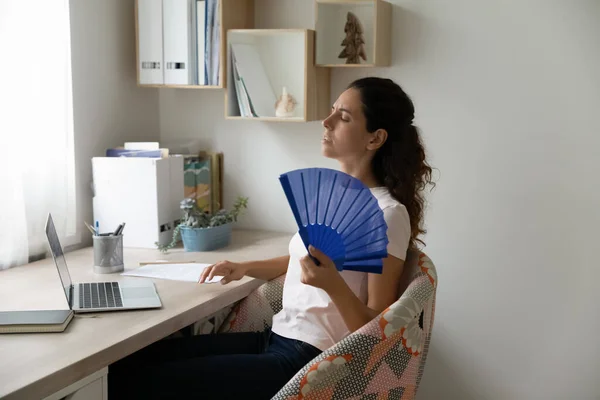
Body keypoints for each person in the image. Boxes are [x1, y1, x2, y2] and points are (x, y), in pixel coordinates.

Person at [108, 77, 434, 399]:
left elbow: (378, 330)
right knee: (126, 366)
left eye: (343, 117)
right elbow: (302, 262)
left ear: (375, 138)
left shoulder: (387, 213)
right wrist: (244, 267)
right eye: (333, 110)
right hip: (275, 336)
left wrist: (332, 284)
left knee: (142, 383)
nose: (326, 121)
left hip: (309, 360)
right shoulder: (333, 195)